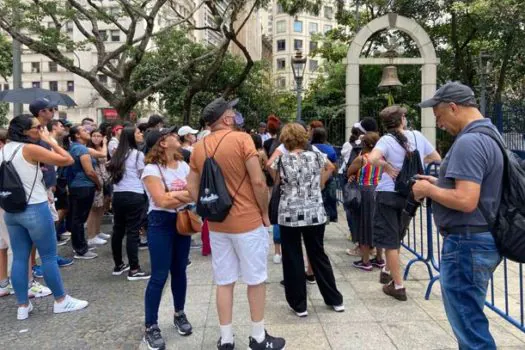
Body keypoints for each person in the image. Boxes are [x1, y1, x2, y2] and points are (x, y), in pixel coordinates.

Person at [186, 97, 285, 350]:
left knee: (224, 281)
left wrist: (205, 210)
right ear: (227, 118)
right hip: (248, 221)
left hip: (218, 224)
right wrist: (264, 213)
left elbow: (192, 187)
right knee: (255, 280)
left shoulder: (199, 147)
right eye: (232, 112)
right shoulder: (242, 140)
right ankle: (258, 337)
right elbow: (258, 182)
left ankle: (227, 338)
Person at [413, 82, 503, 348]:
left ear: (453, 107)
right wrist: (438, 182)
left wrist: (428, 189)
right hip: (480, 238)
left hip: (467, 242)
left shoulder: (469, 141)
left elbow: (465, 200)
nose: (439, 124)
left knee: (470, 328)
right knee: (470, 318)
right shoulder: (490, 135)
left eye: (439, 117)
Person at [1, 115, 88, 320]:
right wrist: (50, 142)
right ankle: (61, 300)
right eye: (37, 128)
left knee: (20, 257)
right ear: (24, 131)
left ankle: (22, 306)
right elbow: (68, 159)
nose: (40, 130)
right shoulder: (29, 149)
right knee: (48, 256)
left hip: (12, 211)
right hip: (35, 208)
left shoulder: (4, 150)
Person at [368, 105, 441, 301]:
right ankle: (387, 270)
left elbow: (372, 159)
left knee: (391, 241)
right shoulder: (417, 136)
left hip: (388, 194)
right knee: (398, 235)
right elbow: (436, 158)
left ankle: (398, 285)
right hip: (411, 195)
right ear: (402, 120)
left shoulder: (386, 140)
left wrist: (385, 165)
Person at [271, 123, 344, 317]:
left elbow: (275, 180)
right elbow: (331, 167)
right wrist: (319, 183)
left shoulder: (281, 160)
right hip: (314, 211)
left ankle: (299, 304)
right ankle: (334, 299)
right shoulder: (316, 155)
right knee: (318, 254)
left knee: (292, 256)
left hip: (289, 213)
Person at [141, 128, 195, 349]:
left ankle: (179, 313)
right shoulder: (151, 169)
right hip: (160, 223)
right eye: (172, 135)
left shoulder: (183, 166)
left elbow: (196, 192)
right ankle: (150, 325)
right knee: (159, 275)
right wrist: (181, 196)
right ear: (162, 143)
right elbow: (161, 202)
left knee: (180, 270)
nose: (177, 138)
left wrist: (173, 195)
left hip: (182, 220)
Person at [30, 98, 74, 275]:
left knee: (50, 223)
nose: (54, 111)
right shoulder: (34, 132)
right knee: (37, 228)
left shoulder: (43, 131)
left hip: (47, 185)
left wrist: (52, 181)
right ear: (41, 112)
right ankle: (33, 265)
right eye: (51, 109)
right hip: (36, 186)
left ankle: (49, 256)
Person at [107, 127, 150, 280]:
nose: (141, 134)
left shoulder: (116, 154)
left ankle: (118, 264)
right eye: (138, 133)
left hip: (118, 195)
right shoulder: (138, 154)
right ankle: (134, 268)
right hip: (134, 194)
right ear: (132, 137)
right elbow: (142, 176)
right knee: (132, 231)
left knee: (118, 230)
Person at [346, 132, 385, 270]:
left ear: (363, 144)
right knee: (378, 225)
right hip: (379, 191)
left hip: (365, 192)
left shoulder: (362, 159)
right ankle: (379, 258)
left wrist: (353, 175)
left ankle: (365, 260)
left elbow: (348, 172)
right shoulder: (383, 157)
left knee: (364, 225)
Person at [66, 125, 102, 260]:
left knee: (78, 218)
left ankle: (81, 244)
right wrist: (98, 183)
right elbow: (89, 171)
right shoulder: (80, 149)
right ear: (77, 135)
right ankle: (80, 249)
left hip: (78, 186)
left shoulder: (76, 147)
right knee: (79, 218)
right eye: (84, 131)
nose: (88, 132)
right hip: (83, 186)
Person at [85, 129, 111, 246]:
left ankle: (97, 231)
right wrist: (105, 143)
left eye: (99, 136)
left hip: (105, 179)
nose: (96, 138)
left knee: (101, 207)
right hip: (96, 181)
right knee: (93, 209)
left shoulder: (102, 148)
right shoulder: (89, 148)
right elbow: (103, 155)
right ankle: (91, 236)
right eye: (94, 136)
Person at [311, 127, 338, 223]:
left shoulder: (310, 148)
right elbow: (334, 165)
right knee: (328, 198)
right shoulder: (330, 149)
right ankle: (329, 215)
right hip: (328, 177)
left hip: (313, 178)